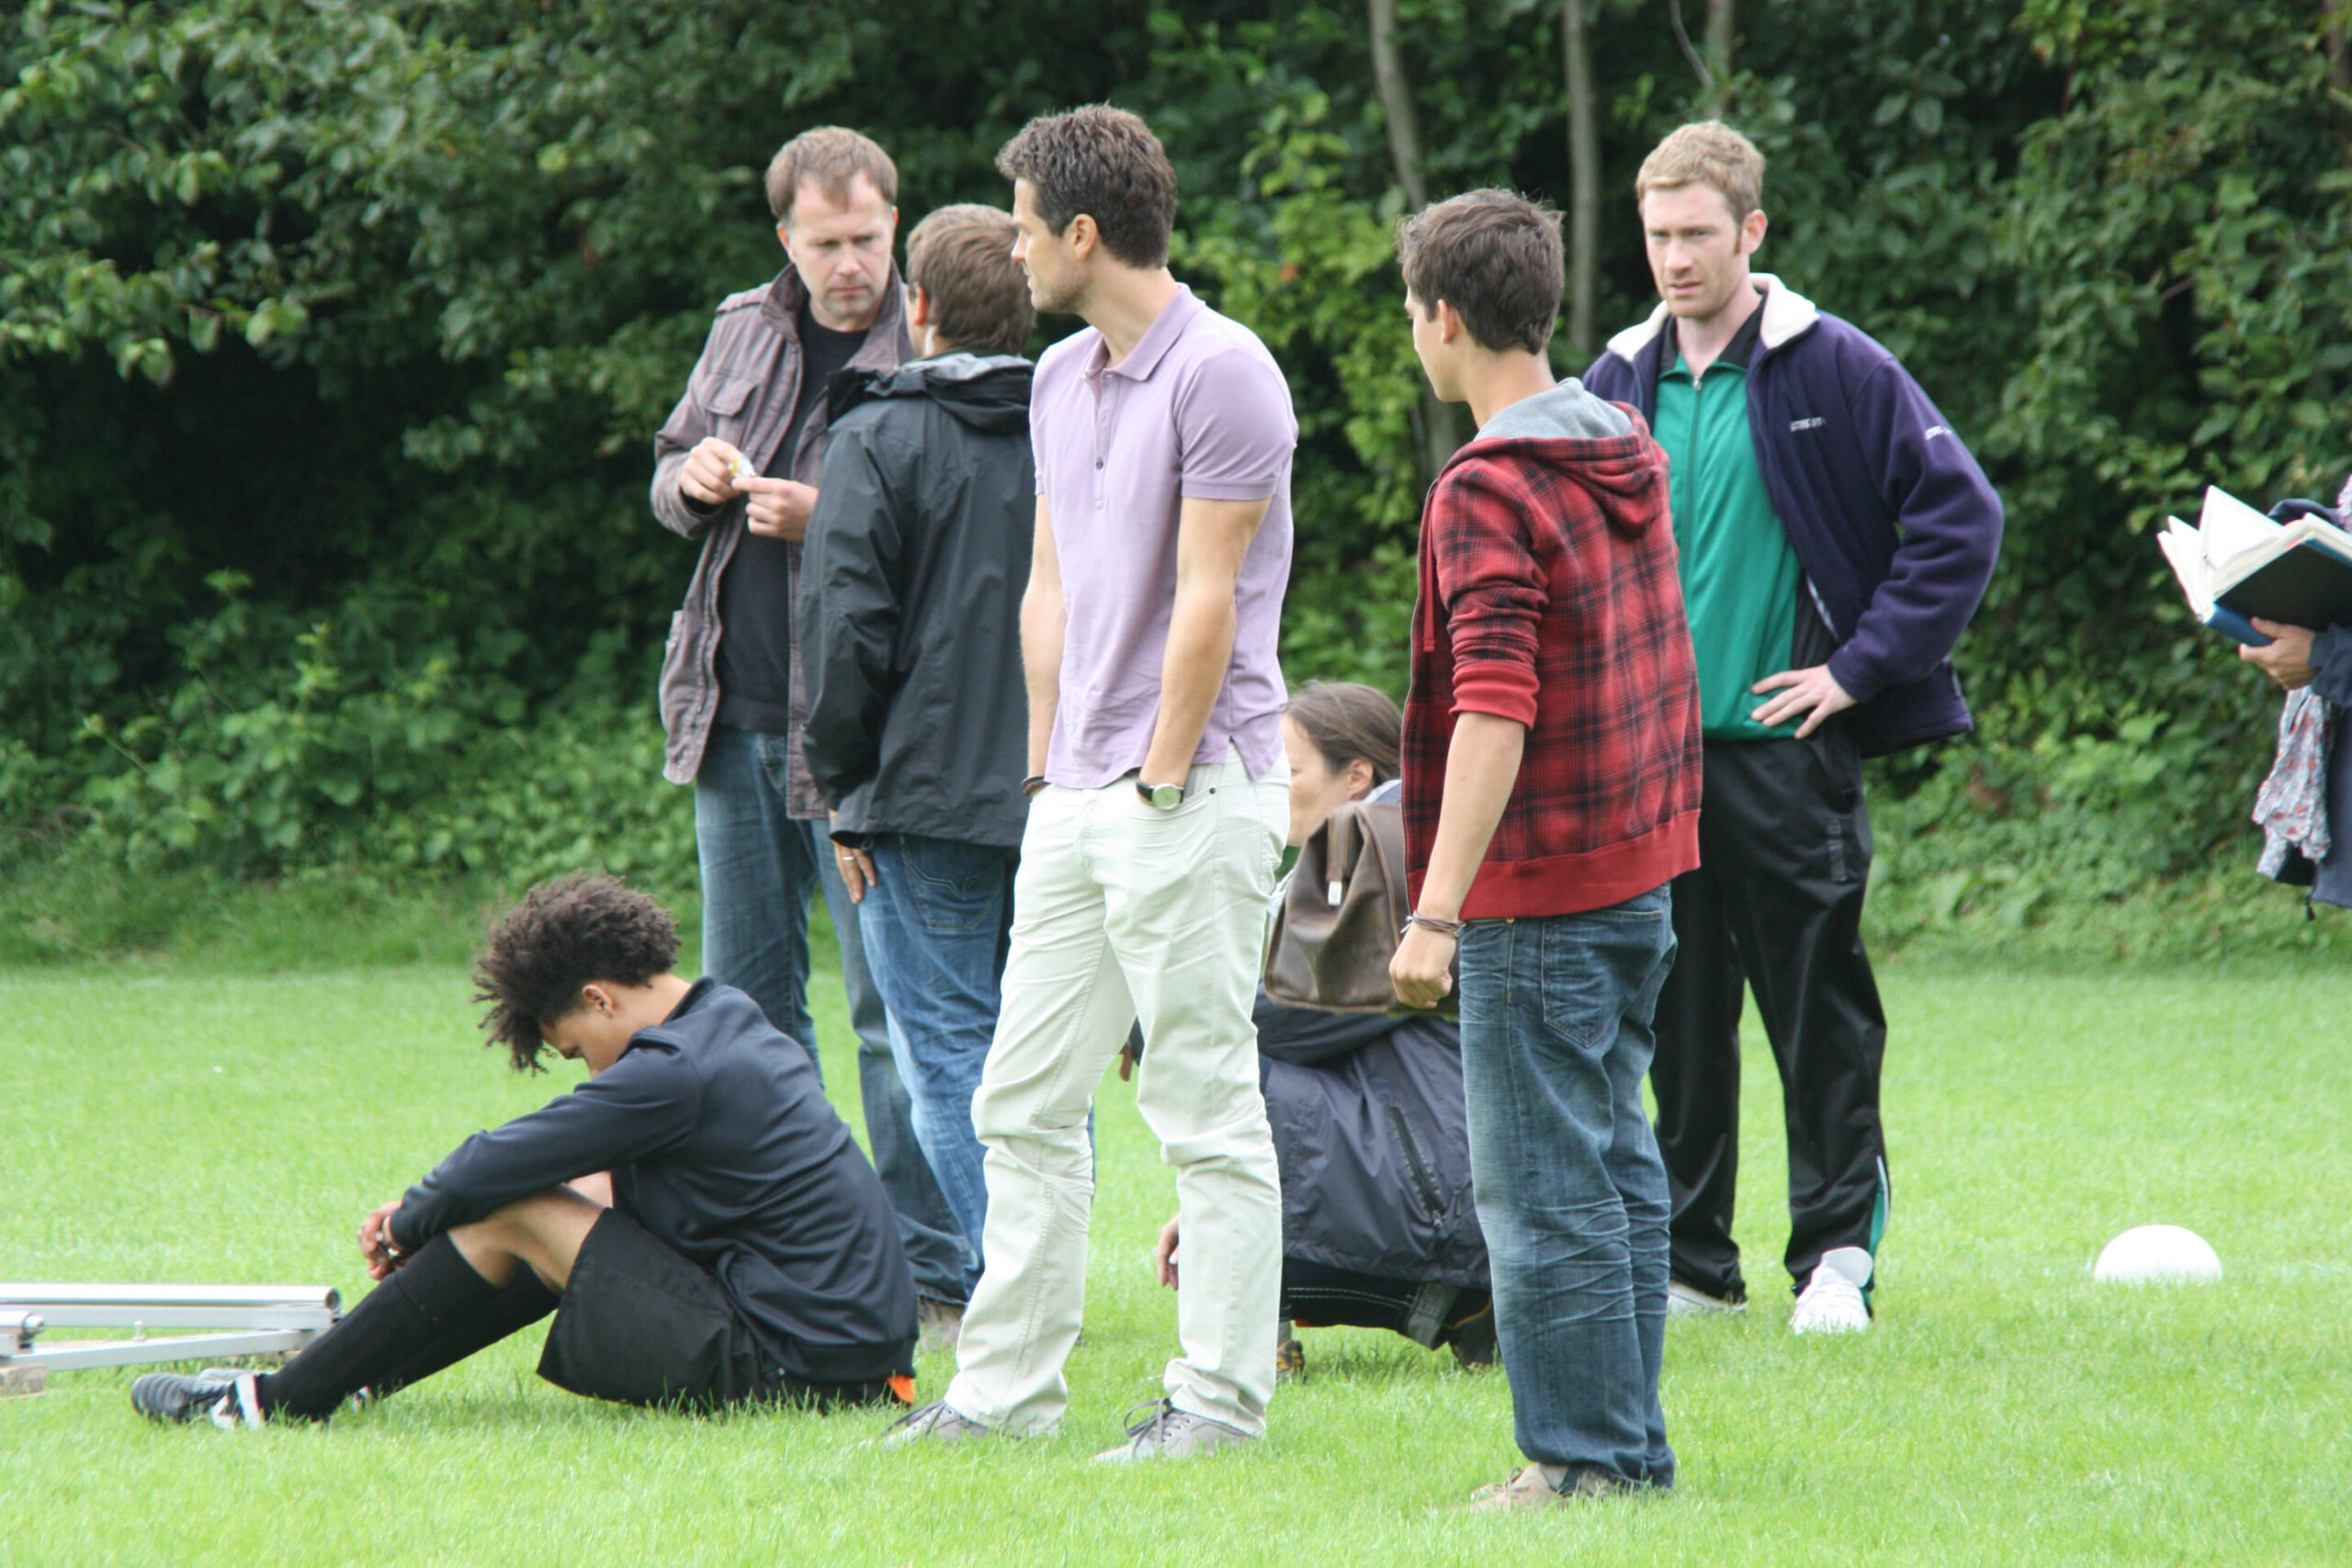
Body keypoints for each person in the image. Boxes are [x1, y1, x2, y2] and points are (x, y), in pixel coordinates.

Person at [884, 105, 1296, 1462]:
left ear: (1080, 232)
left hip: (1192, 789)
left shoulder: (1226, 371)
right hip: (1073, 796)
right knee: (1019, 1097)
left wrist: (1156, 781)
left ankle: (1218, 1406)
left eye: (1018, 221)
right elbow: (1050, 586)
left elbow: (1209, 600)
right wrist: (1049, 776)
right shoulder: (1059, 377)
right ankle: (1002, 1395)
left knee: (1201, 1106)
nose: (1009, 246)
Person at [1582, 121, 2004, 1333]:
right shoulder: (1616, 379)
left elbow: (1960, 519)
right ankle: (1692, 1260)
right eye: (1657, 236)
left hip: (1788, 756)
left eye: (1697, 235)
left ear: (1752, 231)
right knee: (1675, 1016)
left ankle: (1835, 1259)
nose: (1674, 258)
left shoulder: (1835, 367)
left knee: (1818, 1008)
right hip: (1653, 761)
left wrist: (1859, 670)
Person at [129, 874, 918, 1428]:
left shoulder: (674, 1071)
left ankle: (272, 1404)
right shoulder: (724, 1017)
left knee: (520, 1208)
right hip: (849, 1366)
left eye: (577, 1049)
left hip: (797, 1374)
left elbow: (500, 1161)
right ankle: (351, 1375)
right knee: (570, 1197)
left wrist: (413, 1217)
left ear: (600, 998)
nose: (592, 1069)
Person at [1387, 189, 1702, 1508]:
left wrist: (1436, 908)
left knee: (1540, 1192)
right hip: (1640, 870)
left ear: (1444, 319)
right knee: (1617, 1165)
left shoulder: (1488, 486)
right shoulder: (1620, 440)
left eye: (1413, 314)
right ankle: (1629, 1449)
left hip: (1539, 896)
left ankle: (1577, 1460)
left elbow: (1495, 703)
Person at [648, 125, 968, 1340]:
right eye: (826, 242)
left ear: (898, 225)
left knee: (894, 1003)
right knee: (750, 1002)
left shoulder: (938, 331)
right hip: (730, 709)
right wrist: (696, 479)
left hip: (862, 733)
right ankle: (794, 1247)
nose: (850, 264)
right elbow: (667, 465)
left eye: (868, 239)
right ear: (786, 238)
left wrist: (824, 514)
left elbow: (968, 515)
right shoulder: (744, 323)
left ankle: (935, 1267)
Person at [798, 203, 1038, 1288]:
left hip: (925, 797)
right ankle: (1047, 1278)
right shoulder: (1080, 424)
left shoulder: (878, 433)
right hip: (1063, 793)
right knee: (1039, 1064)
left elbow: (845, 627)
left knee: (947, 1051)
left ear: (919, 306)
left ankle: (1017, 1287)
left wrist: (843, 783)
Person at [1149, 682, 1494, 1378]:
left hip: (1446, 1195)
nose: (1271, 784)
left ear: (1356, 777)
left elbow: (1288, 1018)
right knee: (1226, 1070)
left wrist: (1155, 1020)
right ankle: (1452, 1302)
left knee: (1228, 1063)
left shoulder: (1379, 844)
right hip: (1449, 1177)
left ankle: (1260, 1327)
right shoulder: (1393, 838)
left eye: (1290, 767)